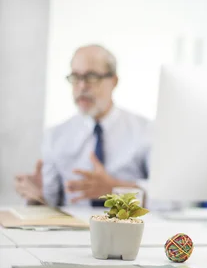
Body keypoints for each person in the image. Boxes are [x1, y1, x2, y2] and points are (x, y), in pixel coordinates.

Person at [14, 44, 151, 207]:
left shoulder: (145, 130)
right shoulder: (55, 136)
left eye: (91, 77)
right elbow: (50, 208)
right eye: (75, 77)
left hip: (131, 228)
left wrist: (115, 189)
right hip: (73, 230)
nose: (82, 86)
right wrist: (36, 198)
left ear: (114, 81)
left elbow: (169, 200)